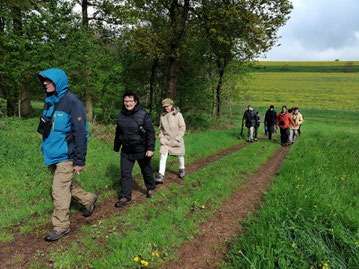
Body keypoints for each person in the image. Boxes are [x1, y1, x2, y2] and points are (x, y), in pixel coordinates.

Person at [37, 68, 97, 242]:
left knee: (58, 190)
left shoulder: (73, 102)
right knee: (65, 186)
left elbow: (81, 133)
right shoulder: (49, 101)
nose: (45, 83)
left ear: (58, 82)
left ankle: (61, 226)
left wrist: (79, 160)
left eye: (48, 80)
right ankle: (89, 199)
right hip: (52, 155)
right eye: (44, 81)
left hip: (66, 156)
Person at [113, 91, 156, 207]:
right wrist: (116, 146)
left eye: (130, 101)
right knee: (125, 174)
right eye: (126, 101)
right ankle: (125, 196)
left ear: (135, 102)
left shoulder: (143, 115)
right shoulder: (121, 115)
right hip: (126, 150)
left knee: (146, 170)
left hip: (141, 149)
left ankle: (151, 188)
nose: (128, 103)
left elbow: (150, 133)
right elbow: (118, 133)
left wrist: (150, 149)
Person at [155, 98, 186, 184]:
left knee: (180, 156)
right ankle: (160, 175)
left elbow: (182, 127)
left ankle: (181, 169)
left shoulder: (178, 115)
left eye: (167, 106)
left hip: (177, 140)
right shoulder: (162, 116)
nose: (166, 108)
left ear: (172, 105)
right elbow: (161, 129)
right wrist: (161, 137)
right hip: (166, 140)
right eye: (164, 107)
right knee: (163, 155)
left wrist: (178, 138)